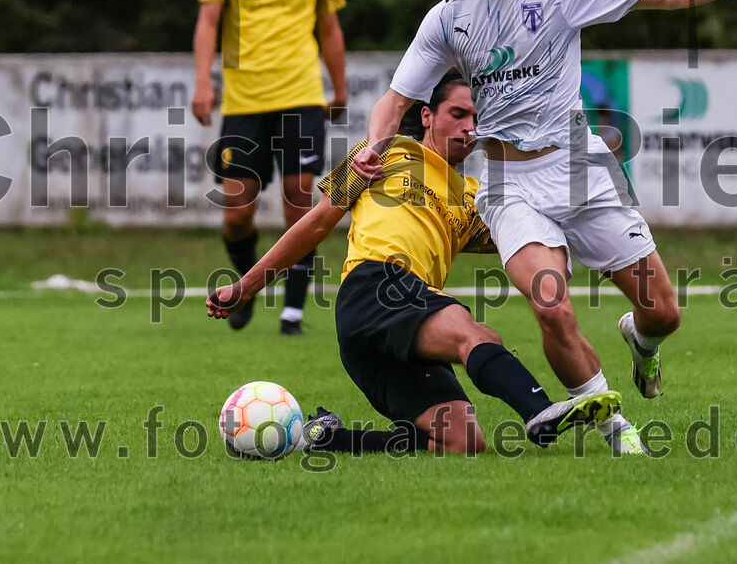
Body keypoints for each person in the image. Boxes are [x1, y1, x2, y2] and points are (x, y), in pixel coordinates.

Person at [350, 0, 737, 450]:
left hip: (579, 169)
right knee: (551, 307)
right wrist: (375, 141)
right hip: (508, 183)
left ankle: (642, 339)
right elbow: (396, 99)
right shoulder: (448, 17)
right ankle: (616, 430)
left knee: (664, 314)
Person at [206, 73, 625, 455]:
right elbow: (315, 224)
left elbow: (537, 233)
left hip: (401, 319)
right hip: (373, 286)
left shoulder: (481, 197)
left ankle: (326, 437)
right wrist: (246, 286)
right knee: (474, 333)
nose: (469, 127)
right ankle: (541, 412)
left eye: (477, 118)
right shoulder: (383, 152)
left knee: (462, 440)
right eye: (458, 114)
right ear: (427, 115)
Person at [192, 0, 348, 335]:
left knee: (299, 204)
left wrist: (339, 89)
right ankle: (245, 286)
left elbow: (329, 28)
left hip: (301, 94)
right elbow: (208, 21)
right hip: (243, 101)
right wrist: (203, 80)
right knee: (237, 213)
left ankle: (293, 313)